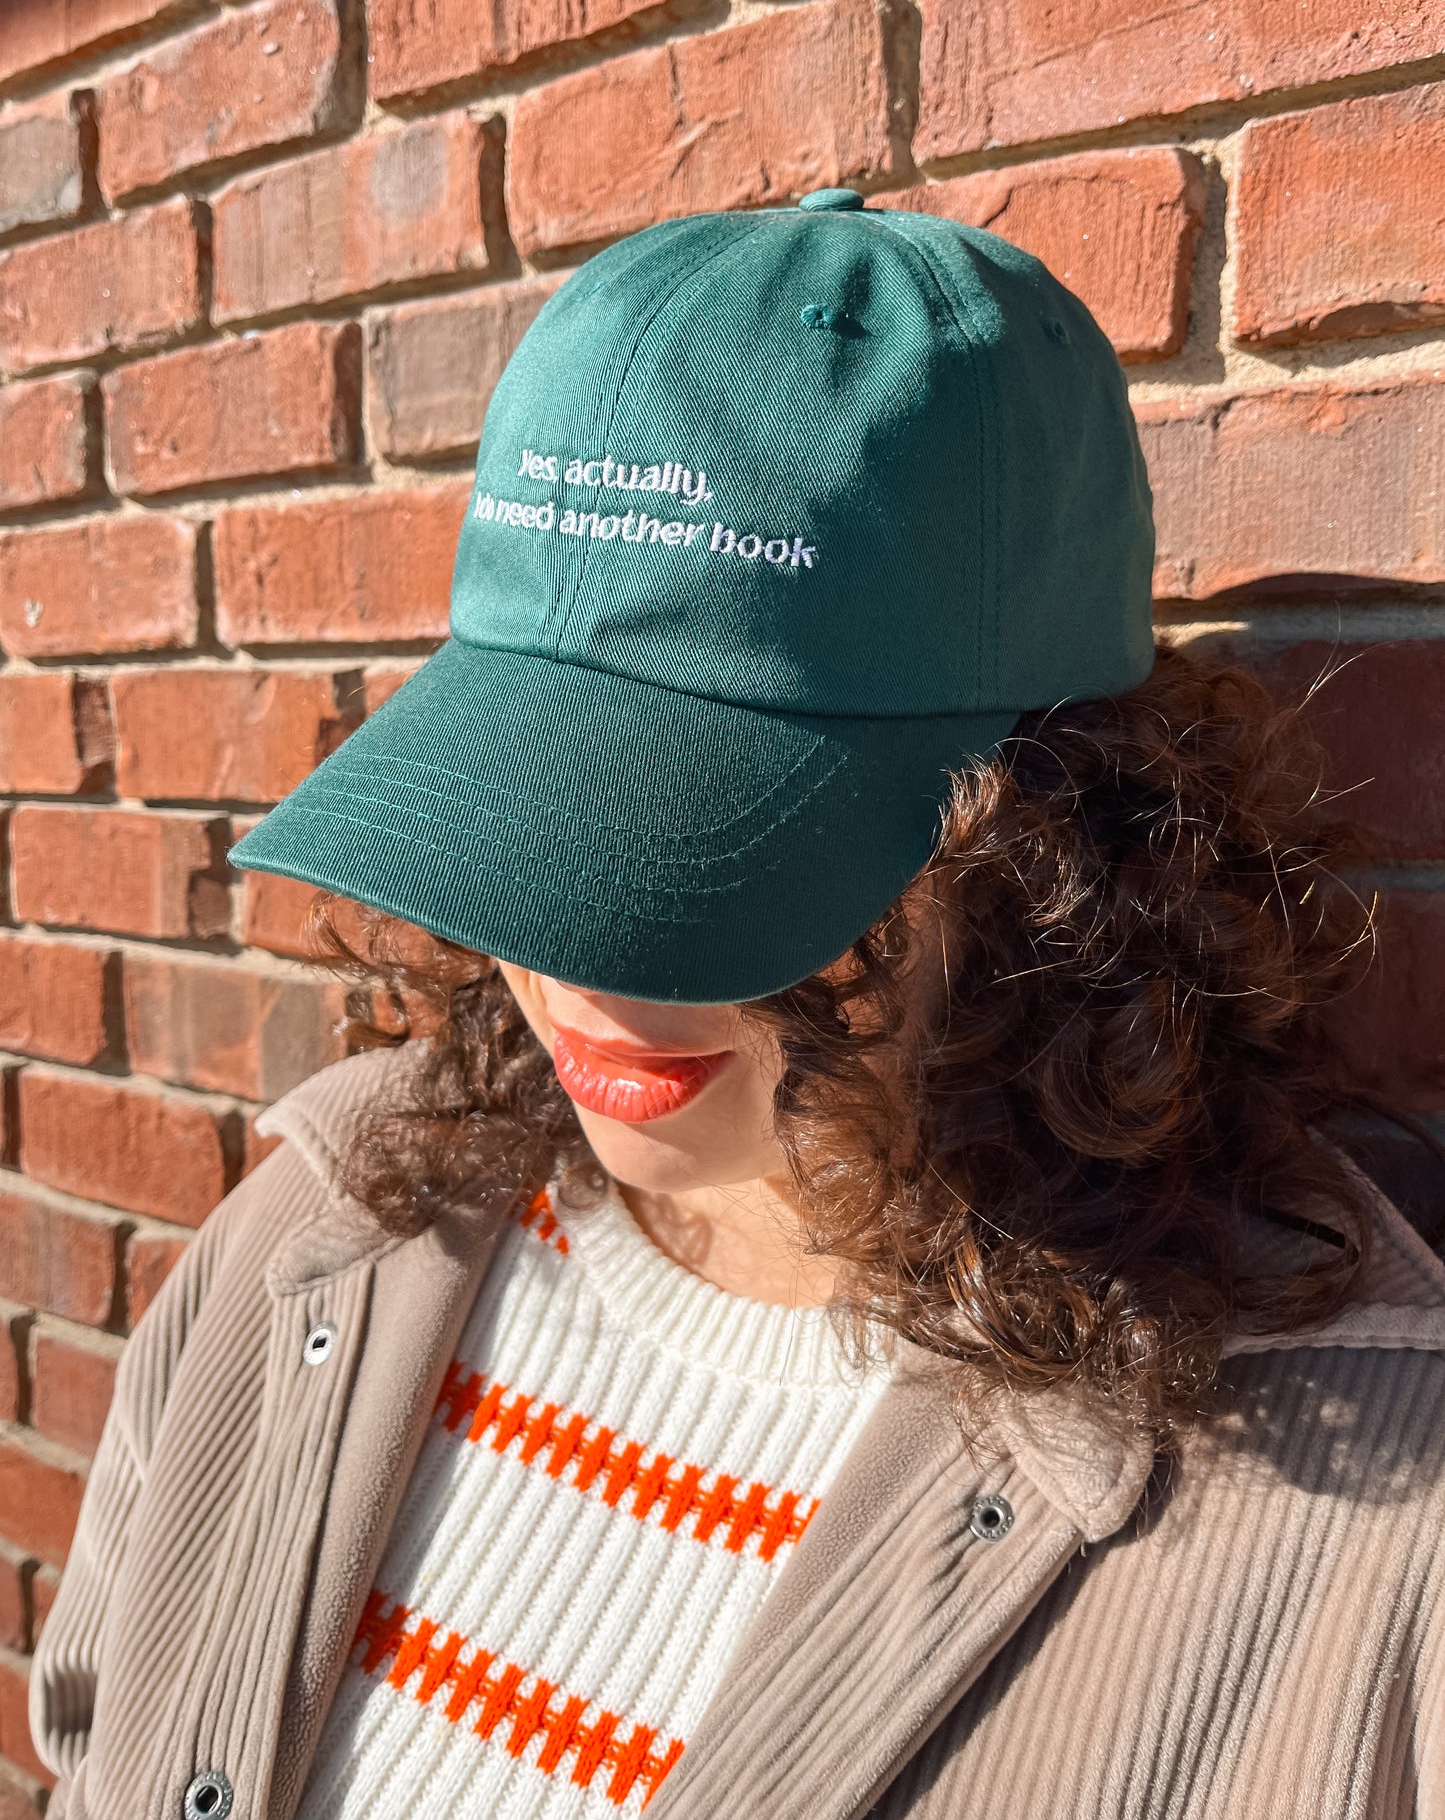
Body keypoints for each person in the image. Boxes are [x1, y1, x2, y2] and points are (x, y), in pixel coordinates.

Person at [29, 189, 1445, 1820]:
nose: (579, 962)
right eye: (527, 811)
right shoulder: (320, 1223)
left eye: (707, 852)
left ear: (1054, 835)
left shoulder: (1363, 1525)